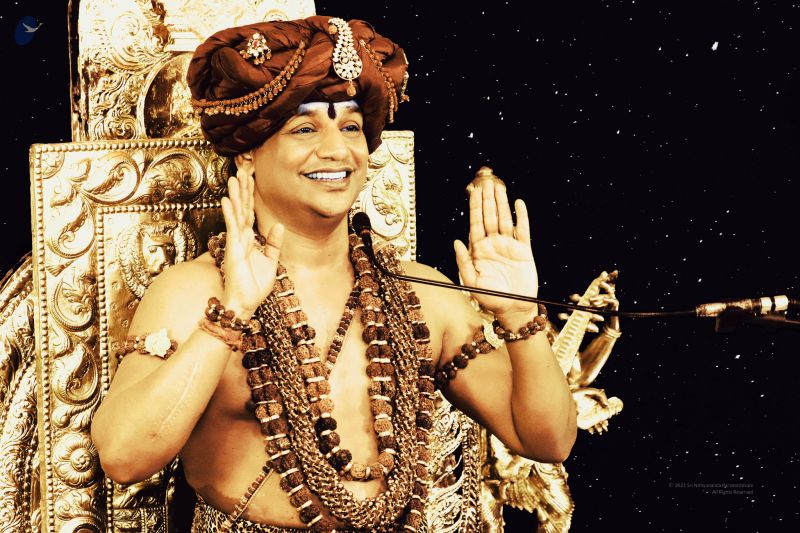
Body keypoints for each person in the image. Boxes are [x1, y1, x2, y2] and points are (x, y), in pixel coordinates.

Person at [91, 15, 576, 532]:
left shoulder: (420, 297)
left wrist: (519, 317)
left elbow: (546, 441)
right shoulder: (195, 294)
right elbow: (123, 457)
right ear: (248, 153)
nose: (336, 150)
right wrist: (232, 316)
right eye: (305, 129)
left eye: (350, 127)